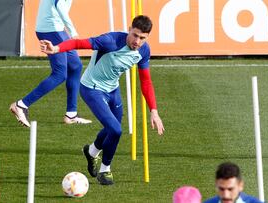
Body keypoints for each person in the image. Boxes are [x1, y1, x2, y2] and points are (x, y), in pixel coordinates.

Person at [40, 15, 165, 185]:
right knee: (116, 130)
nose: (137, 41)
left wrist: (154, 111)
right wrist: (55, 49)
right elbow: (78, 43)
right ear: (129, 29)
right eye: (135, 35)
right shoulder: (109, 41)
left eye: (142, 38)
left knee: (111, 128)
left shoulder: (144, 51)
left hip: (113, 90)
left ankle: (91, 152)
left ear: (147, 37)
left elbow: (146, 81)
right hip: (91, 89)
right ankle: (105, 170)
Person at [10, 0, 91, 127]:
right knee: (60, 74)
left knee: (75, 66)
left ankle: (71, 114)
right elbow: (59, 5)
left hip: (57, 29)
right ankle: (21, 105)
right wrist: (73, 32)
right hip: (50, 30)